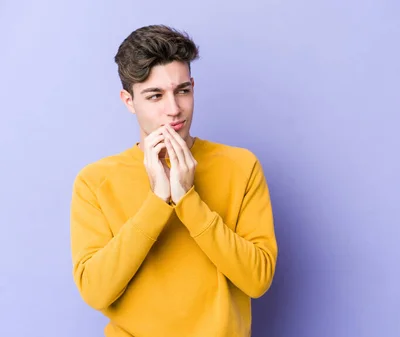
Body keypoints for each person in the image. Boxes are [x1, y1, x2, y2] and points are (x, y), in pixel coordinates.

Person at [69, 24, 278, 337]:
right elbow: (95, 291)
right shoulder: (95, 182)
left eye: (183, 91)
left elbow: (257, 280)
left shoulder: (241, 166)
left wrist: (187, 199)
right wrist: (157, 202)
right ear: (129, 101)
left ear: (193, 86)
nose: (175, 110)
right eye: (155, 96)